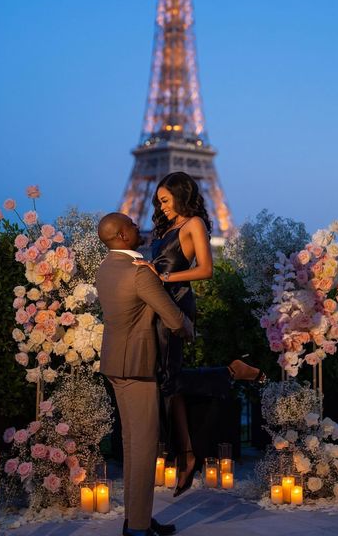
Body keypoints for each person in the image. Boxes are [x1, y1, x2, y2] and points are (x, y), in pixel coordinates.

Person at [132, 171, 265, 497]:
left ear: (180, 195)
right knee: (168, 378)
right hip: (160, 302)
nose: (160, 206)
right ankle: (187, 455)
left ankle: (231, 371)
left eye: (165, 200)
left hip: (177, 303)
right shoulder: (166, 228)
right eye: (158, 201)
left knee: (166, 379)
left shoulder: (194, 224)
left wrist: (163, 276)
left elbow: (206, 269)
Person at [95, 212, 194, 536]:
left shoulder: (106, 268)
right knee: (144, 446)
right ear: (123, 235)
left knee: (132, 443)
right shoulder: (139, 273)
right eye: (133, 226)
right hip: (137, 366)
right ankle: (137, 527)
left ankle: (135, 518)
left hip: (115, 363)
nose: (139, 228)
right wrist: (190, 329)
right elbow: (174, 319)